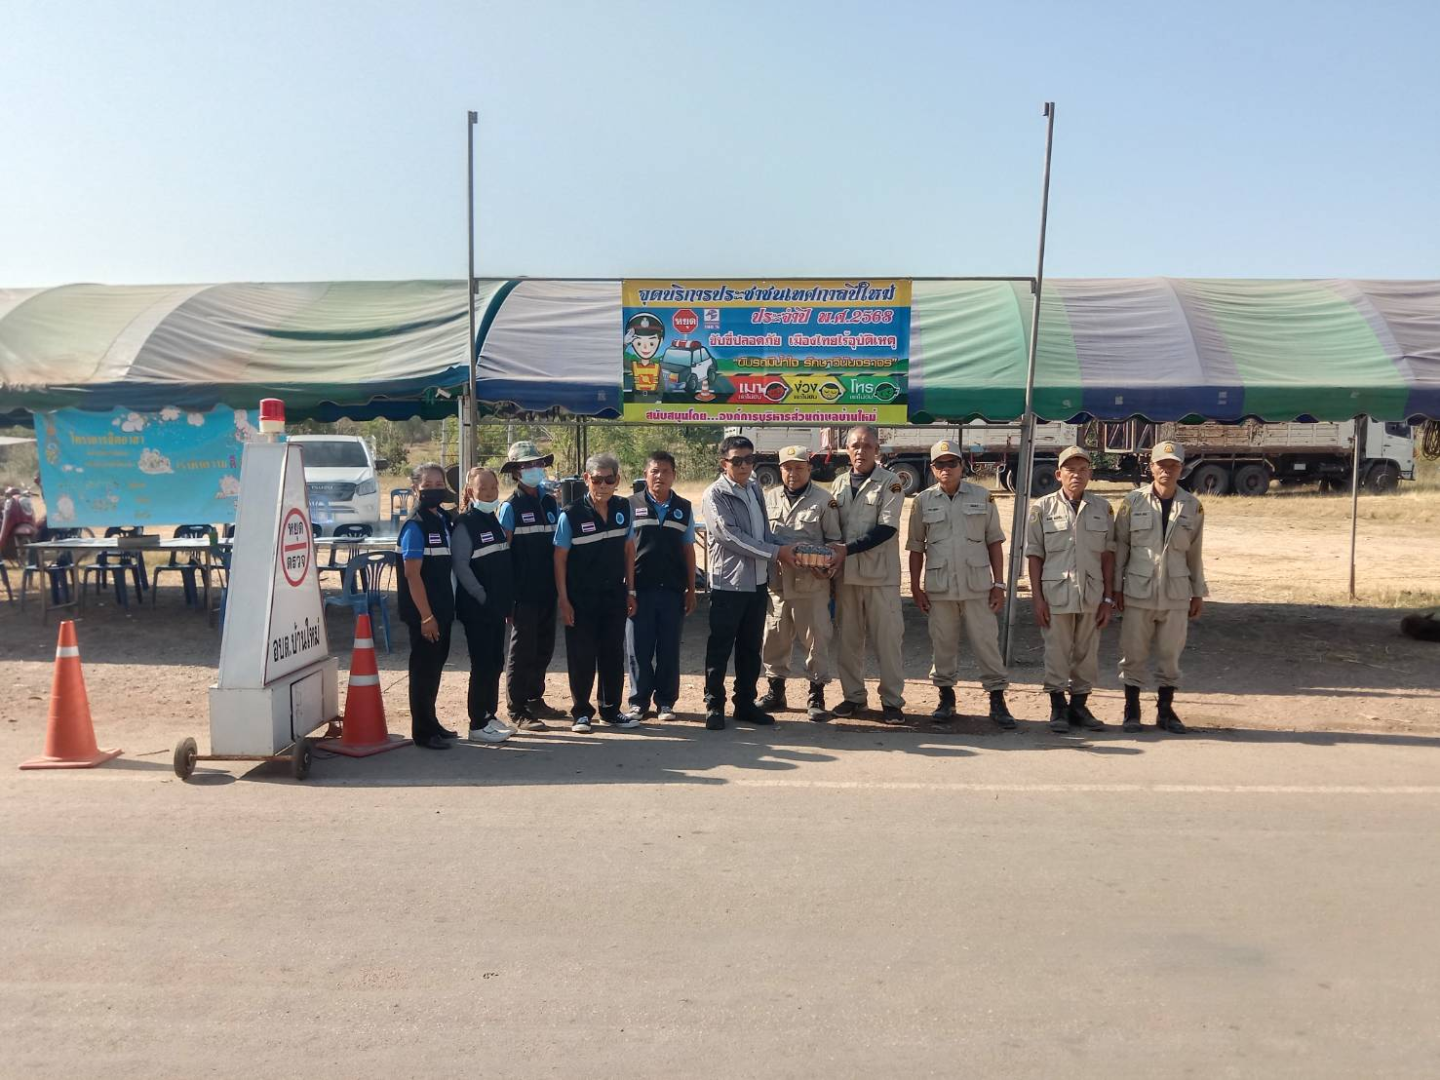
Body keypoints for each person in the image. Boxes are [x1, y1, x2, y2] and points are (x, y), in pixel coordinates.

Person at [906, 441, 1016, 729]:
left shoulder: (982, 496)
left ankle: (997, 699)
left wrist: (999, 584)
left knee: (986, 644)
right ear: (932, 469)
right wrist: (915, 587)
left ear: (962, 465)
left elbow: (994, 541)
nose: (946, 469)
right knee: (942, 644)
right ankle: (946, 698)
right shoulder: (922, 501)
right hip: (940, 587)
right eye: (940, 464)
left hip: (977, 586)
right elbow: (916, 547)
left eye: (951, 463)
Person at [701, 435, 800, 730]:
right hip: (729, 584)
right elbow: (731, 537)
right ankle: (714, 705)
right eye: (737, 460)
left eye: (749, 459)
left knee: (750, 648)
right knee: (720, 648)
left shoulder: (755, 487)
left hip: (757, 581)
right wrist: (777, 552)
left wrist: (788, 547)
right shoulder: (715, 494)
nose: (744, 465)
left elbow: (763, 534)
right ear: (724, 463)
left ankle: (744, 704)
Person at [1114, 441, 1208, 734]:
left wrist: (1197, 592)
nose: (1167, 470)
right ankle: (1131, 710)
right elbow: (1121, 548)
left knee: (1170, 656)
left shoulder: (1192, 506)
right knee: (1133, 653)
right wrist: (1116, 589)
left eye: (1173, 465)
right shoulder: (1133, 502)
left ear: (1181, 469)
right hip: (1138, 591)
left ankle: (1165, 711)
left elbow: (1195, 553)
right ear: (1151, 467)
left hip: (1176, 593)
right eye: (1162, 465)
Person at [1025, 446, 1116, 733]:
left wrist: (1108, 598)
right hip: (1056, 592)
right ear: (1058, 474)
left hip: (1091, 592)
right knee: (1057, 651)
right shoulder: (1042, 508)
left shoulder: (1102, 508)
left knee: (1087, 652)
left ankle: (1079, 706)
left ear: (1090, 474)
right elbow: (1035, 555)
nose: (1076, 475)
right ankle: (1058, 707)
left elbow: (1108, 555)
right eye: (1070, 469)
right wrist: (1037, 599)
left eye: (1082, 470)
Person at [554, 452, 641, 733]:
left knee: (612, 654)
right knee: (581, 656)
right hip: (581, 598)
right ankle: (581, 713)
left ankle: (611, 710)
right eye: (597, 479)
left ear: (617, 480)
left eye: (609, 479)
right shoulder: (570, 514)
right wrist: (564, 599)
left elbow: (629, 550)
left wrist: (630, 590)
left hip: (614, 595)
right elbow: (560, 559)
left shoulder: (623, 508)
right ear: (586, 479)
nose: (603, 485)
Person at [827, 424, 907, 723]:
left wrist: (846, 549)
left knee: (888, 641)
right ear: (846, 449)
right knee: (848, 641)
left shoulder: (891, 483)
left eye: (867, 446)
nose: (860, 451)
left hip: (880, 577)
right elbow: (831, 528)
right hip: (846, 577)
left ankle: (892, 701)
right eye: (855, 446)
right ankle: (853, 697)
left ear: (877, 449)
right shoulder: (838, 484)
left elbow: (887, 528)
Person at [758, 445, 841, 722]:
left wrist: (827, 567)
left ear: (809, 468)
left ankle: (816, 694)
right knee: (774, 637)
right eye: (787, 468)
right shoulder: (768, 499)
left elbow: (834, 542)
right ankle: (775, 691)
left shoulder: (824, 500)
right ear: (780, 470)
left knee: (816, 638)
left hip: (811, 584)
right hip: (778, 582)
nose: (792, 473)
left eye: (798, 467)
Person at [624, 450, 696, 722]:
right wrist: (629, 590)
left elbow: (688, 550)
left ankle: (666, 702)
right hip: (640, 590)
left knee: (668, 649)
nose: (659, 476)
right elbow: (627, 550)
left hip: (672, 591)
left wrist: (691, 589)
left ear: (674, 476)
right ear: (645, 475)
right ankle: (638, 702)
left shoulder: (684, 507)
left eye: (665, 471)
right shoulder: (629, 505)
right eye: (654, 471)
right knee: (638, 649)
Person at [498, 441, 565, 731]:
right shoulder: (510, 507)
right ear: (516, 472)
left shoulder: (550, 503)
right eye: (527, 466)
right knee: (522, 651)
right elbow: (503, 554)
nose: (534, 469)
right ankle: (517, 708)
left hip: (548, 589)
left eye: (537, 464)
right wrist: (507, 596)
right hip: (523, 593)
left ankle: (535, 698)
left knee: (544, 647)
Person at [396, 461, 459, 750]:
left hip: (441, 609)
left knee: (434, 669)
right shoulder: (416, 525)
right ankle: (422, 732)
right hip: (425, 613)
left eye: (439, 485)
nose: (434, 490)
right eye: (427, 485)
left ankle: (432, 723)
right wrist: (425, 617)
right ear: (415, 489)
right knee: (423, 671)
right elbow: (412, 574)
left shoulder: (442, 519)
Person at [452, 467, 516, 745]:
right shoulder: (464, 524)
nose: (490, 493)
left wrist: (505, 603)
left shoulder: (494, 519)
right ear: (470, 492)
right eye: (483, 489)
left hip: (496, 608)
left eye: (493, 488)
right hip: (478, 609)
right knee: (482, 665)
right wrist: (482, 598)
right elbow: (461, 567)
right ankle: (477, 722)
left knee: (494, 662)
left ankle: (489, 715)